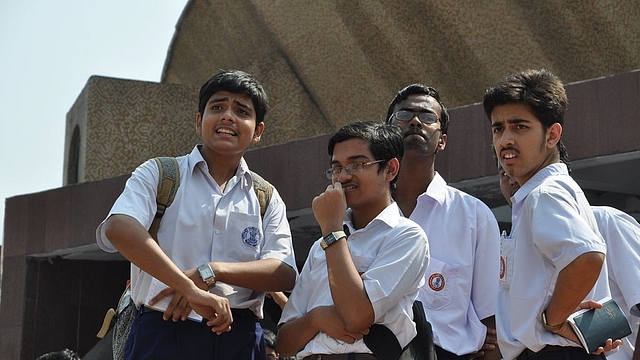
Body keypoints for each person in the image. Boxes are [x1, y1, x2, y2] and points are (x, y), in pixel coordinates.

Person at [96, 70, 298, 359]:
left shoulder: (265, 195)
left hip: (240, 339)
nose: (228, 116)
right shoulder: (160, 173)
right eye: (217, 107)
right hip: (163, 331)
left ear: (258, 132)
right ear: (199, 121)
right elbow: (119, 228)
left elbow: (284, 272)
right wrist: (188, 289)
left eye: (241, 111)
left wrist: (211, 272)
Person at [484, 68, 616, 359]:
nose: (505, 139)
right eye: (498, 128)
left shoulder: (545, 194)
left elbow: (587, 256)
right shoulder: (543, 192)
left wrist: (553, 321)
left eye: (520, 127)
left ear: (552, 135)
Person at [277, 121, 429, 359]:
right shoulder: (321, 246)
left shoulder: (406, 236)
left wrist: (331, 229)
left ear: (390, 169)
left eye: (357, 164)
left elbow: (357, 316)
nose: (344, 176)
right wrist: (316, 318)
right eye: (336, 168)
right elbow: (284, 343)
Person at [386, 84, 501, 360]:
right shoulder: (358, 214)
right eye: (404, 115)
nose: (415, 121)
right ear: (385, 133)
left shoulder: (474, 216)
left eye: (427, 117)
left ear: (443, 140)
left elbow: (492, 321)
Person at [499, 166, 640, 360]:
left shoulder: (607, 221)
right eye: (504, 174)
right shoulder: (517, 240)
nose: (512, 179)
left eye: (523, 170)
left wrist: (554, 321)